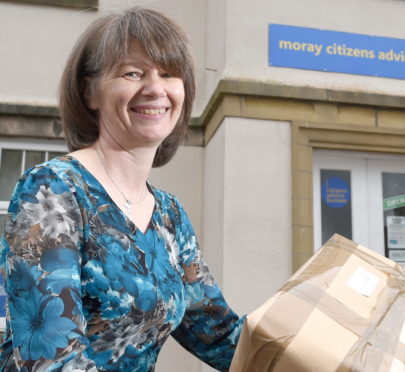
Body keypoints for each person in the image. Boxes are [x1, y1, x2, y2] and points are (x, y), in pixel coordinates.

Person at [0, 7, 245, 372]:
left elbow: (220, 336)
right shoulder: (52, 190)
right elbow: (50, 359)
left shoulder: (169, 215)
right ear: (90, 92)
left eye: (169, 74)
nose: (155, 89)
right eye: (133, 73)